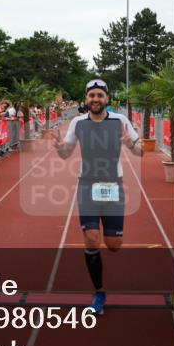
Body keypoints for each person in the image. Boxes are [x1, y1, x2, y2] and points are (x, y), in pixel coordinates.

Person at [52, 78, 142, 315]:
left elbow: (142, 151)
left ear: (107, 99)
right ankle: (99, 292)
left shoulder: (120, 121)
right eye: (92, 95)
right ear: (86, 99)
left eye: (100, 95)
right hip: (87, 186)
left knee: (113, 245)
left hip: (114, 186)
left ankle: (110, 245)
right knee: (92, 239)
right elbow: (65, 154)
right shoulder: (78, 123)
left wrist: (130, 145)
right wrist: (60, 146)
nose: (95, 99)